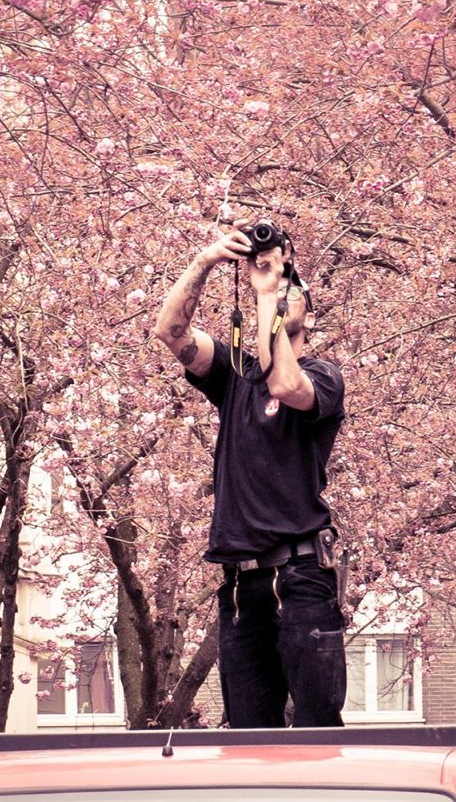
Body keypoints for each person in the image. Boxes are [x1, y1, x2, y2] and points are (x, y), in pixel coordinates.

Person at [154, 222, 347, 727]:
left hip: (302, 578)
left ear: (304, 307)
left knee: (316, 731)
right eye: (271, 287)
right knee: (248, 735)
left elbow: (284, 382)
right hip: (241, 585)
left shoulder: (324, 377)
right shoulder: (235, 378)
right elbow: (169, 332)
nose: (276, 290)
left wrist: (268, 295)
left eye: (288, 289)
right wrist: (206, 260)